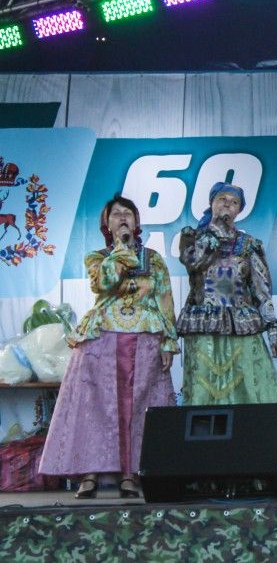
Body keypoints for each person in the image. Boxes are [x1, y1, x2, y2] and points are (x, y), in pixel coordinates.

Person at [39, 196, 178, 498]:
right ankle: (89, 474)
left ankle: (131, 474)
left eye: (128, 213)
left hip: (145, 337)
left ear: (137, 222)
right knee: (95, 407)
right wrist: (121, 250)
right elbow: (103, 283)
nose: (123, 218)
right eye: (116, 214)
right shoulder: (97, 257)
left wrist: (169, 341)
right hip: (101, 337)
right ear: (107, 224)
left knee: (137, 407)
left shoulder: (154, 259)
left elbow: (165, 299)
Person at [176, 183, 277, 471]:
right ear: (211, 203)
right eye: (222, 199)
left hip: (243, 328)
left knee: (253, 391)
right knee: (203, 397)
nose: (227, 204)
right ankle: (201, 466)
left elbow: (261, 289)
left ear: (240, 210)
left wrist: (273, 327)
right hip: (203, 330)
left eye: (234, 202)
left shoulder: (250, 245)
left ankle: (262, 463)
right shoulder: (192, 237)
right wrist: (213, 233)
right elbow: (193, 263)